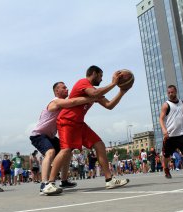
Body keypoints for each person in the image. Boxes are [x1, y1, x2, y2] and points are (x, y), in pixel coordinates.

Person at [48, 65, 131, 193]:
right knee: (66, 150)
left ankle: (109, 180)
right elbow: (95, 93)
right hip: (67, 121)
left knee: (99, 145)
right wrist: (114, 83)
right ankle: (49, 183)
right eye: (101, 76)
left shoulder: (95, 91)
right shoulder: (83, 82)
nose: (102, 79)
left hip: (79, 124)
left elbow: (109, 105)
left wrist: (122, 92)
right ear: (94, 73)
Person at [30, 81, 98, 195]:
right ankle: (44, 184)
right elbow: (73, 101)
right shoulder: (54, 102)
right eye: (64, 87)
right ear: (57, 91)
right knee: (50, 152)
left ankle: (64, 180)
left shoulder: (62, 105)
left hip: (50, 136)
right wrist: (92, 97)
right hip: (38, 135)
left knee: (67, 151)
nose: (67, 89)